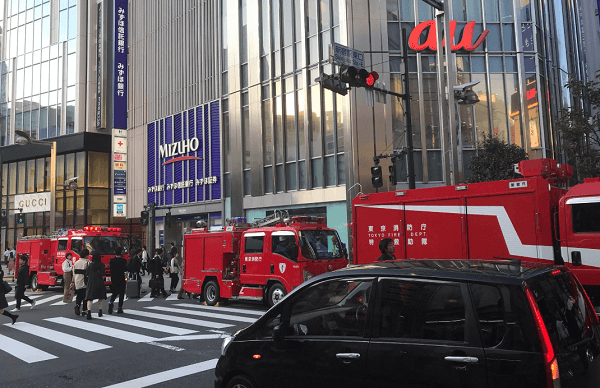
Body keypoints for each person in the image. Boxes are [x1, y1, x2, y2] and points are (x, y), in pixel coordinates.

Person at [85, 252, 107, 320]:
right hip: (99, 282)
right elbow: (103, 275)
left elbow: (87, 274)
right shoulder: (102, 264)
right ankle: (100, 311)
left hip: (91, 282)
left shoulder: (90, 265)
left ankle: (89, 312)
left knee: (90, 298)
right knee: (100, 297)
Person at [72, 249, 91, 316]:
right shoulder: (88, 262)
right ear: (87, 255)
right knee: (85, 297)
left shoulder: (76, 263)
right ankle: (84, 310)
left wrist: (73, 281)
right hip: (85, 282)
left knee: (79, 295)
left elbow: (73, 273)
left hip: (77, 281)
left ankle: (77, 305)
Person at [108, 247, 127, 314]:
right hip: (121, 278)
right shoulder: (123, 260)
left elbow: (111, 269)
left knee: (114, 293)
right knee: (121, 294)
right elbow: (125, 269)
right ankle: (119, 308)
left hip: (114, 278)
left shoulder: (111, 260)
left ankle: (111, 302)